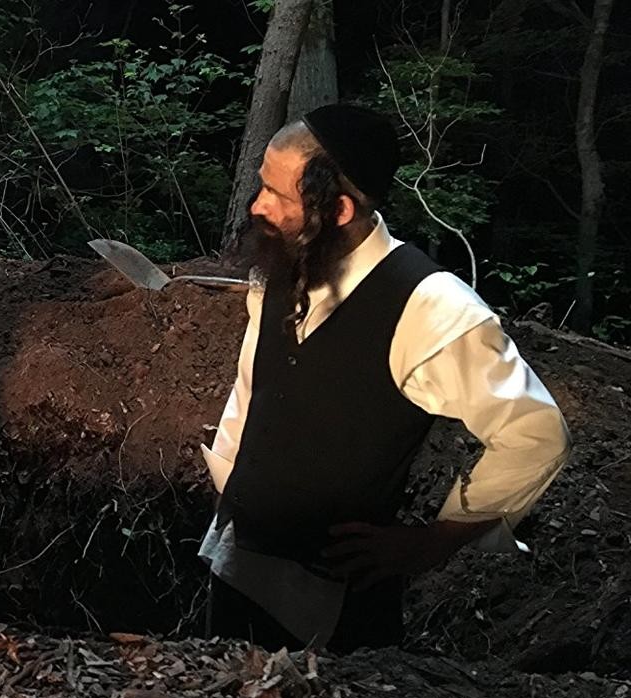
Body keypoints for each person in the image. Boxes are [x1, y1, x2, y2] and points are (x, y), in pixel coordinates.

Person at [199, 104, 571, 652]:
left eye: (276, 194)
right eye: (263, 186)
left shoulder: (429, 306)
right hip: (236, 565)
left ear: (339, 209)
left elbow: (535, 434)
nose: (258, 206)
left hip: (330, 611)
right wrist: (230, 484)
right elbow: (252, 391)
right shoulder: (281, 268)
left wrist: (435, 540)